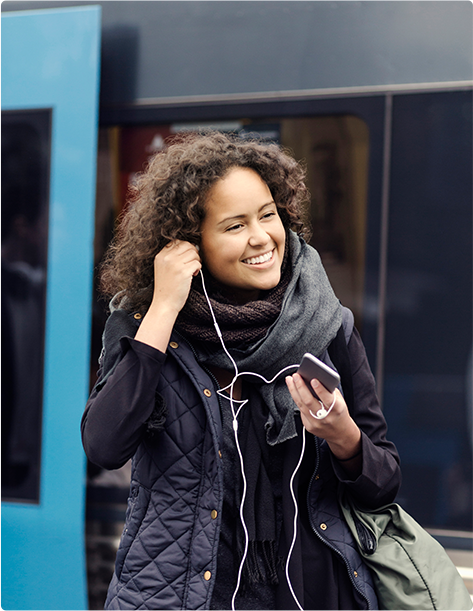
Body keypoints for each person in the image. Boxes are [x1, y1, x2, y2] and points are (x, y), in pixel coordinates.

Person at [81, 131, 401, 611]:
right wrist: (164, 307)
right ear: (189, 244)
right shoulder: (148, 325)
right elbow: (104, 446)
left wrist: (344, 437)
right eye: (234, 226)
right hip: (181, 597)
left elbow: (384, 482)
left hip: (311, 595)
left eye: (268, 215)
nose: (261, 237)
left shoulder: (327, 324)